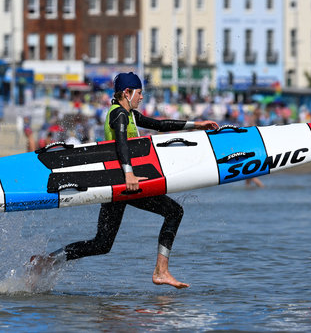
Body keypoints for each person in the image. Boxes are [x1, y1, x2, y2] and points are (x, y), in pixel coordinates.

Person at [31, 72, 219, 288]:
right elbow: (121, 142)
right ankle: (161, 271)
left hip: (117, 185)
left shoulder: (128, 114)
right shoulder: (119, 115)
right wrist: (129, 173)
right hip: (126, 182)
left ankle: (48, 260)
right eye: (139, 93)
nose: (141, 98)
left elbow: (160, 125)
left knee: (102, 243)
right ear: (127, 93)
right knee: (174, 212)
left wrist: (196, 125)